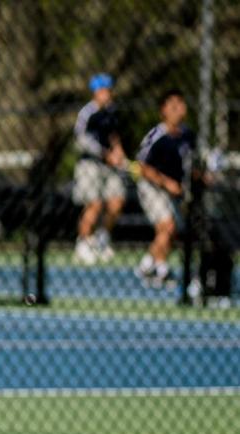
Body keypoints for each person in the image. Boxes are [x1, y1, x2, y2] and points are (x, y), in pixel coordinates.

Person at [133, 89, 196, 289]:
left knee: (170, 230)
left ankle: (146, 265)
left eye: (181, 104)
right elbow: (142, 167)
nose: (178, 109)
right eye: (173, 105)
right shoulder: (156, 135)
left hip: (174, 190)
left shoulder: (187, 135)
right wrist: (166, 182)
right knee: (167, 225)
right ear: (163, 110)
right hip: (152, 186)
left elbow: (190, 165)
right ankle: (161, 269)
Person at [72, 73, 127, 265]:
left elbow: (114, 135)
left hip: (110, 165)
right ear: (95, 92)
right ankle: (84, 243)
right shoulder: (87, 113)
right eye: (103, 90)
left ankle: (102, 239)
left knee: (116, 202)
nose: (107, 94)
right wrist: (105, 154)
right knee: (93, 204)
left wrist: (119, 153)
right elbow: (81, 140)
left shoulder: (112, 111)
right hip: (90, 164)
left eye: (109, 90)